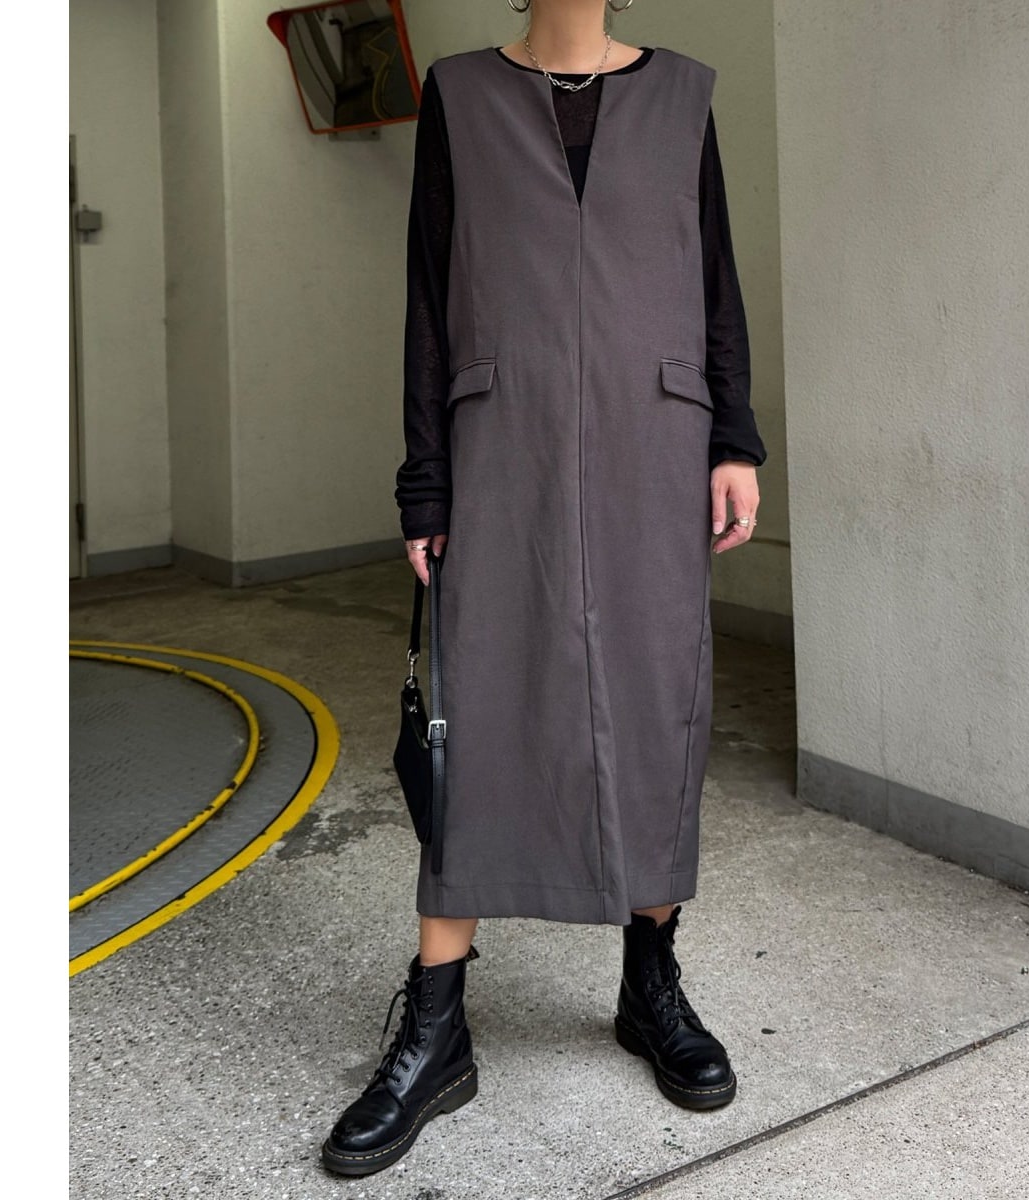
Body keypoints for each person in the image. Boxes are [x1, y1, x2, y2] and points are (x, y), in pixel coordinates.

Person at [322, 0, 766, 1177]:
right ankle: (436, 1025)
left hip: (657, 439)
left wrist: (736, 439)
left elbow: (714, 281)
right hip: (500, 443)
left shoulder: (683, 96)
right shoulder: (461, 97)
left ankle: (649, 984)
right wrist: (425, 479)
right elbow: (429, 295)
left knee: (657, 701)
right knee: (481, 710)